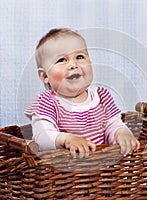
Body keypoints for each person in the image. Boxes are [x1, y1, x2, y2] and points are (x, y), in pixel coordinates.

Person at [25, 28, 140, 158]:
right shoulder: (47, 101)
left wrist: (122, 133)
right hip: (62, 173)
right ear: (45, 76)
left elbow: (113, 125)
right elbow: (42, 137)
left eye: (80, 57)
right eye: (62, 60)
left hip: (104, 171)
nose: (73, 65)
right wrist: (67, 140)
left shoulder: (102, 96)